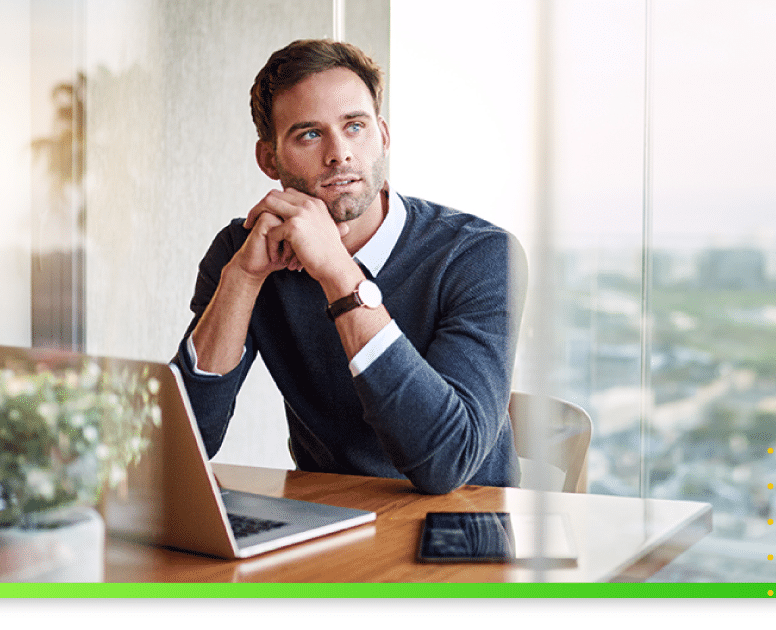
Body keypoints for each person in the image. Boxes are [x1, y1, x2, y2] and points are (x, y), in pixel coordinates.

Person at [171, 39, 526, 494]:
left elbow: (448, 462)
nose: (339, 153)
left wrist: (339, 272)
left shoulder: (481, 256)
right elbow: (184, 446)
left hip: (461, 528)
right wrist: (242, 278)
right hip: (329, 519)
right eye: (310, 134)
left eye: (354, 126)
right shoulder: (245, 253)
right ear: (269, 159)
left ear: (383, 136)